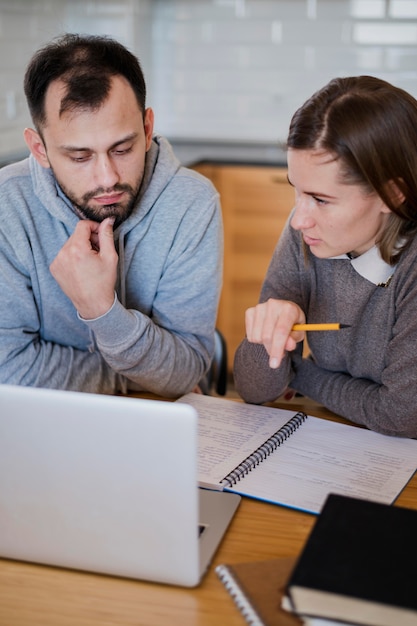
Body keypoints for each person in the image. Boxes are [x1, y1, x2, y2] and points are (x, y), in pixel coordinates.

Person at [0, 33, 222, 397]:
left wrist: (102, 311)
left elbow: (186, 368)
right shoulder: (6, 206)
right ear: (40, 149)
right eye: (80, 157)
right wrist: (137, 377)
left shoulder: (192, 203)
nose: (108, 179)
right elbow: (6, 371)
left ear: (148, 129)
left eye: (122, 148)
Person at [234, 75, 417, 438]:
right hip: (334, 433)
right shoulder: (309, 233)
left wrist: (301, 374)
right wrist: (267, 337)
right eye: (296, 191)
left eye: (320, 199)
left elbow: (402, 415)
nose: (299, 219)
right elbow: (255, 390)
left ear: (391, 194)